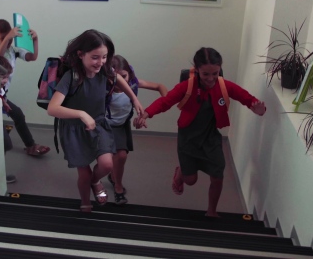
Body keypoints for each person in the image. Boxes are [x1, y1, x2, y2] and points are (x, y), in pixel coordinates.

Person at [133, 47, 266, 217]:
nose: (211, 79)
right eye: (205, 74)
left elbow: (246, 98)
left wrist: (258, 108)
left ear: (220, 70)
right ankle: (181, 172)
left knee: (217, 176)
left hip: (211, 138)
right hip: (188, 138)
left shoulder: (224, 86)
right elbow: (165, 101)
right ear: (197, 70)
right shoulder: (186, 87)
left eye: (215, 73)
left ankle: (211, 211)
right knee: (191, 181)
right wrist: (146, 114)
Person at [47, 30, 144, 212]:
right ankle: (85, 200)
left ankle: (95, 181)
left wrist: (134, 99)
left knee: (107, 164)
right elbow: (53, 108)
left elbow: (119, 80)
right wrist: (81, 114)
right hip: (75, 130)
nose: (100, 62)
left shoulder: (104, 71)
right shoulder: (72, 77)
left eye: (104, 57)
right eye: (95, 57)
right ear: (80, 54)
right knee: (83, 172)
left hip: (99, 125)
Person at [106, 55, 167, 205]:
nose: (120, 81)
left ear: (129, 74)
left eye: (124, 76)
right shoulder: (103, 87)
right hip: (106, 125)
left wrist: (166, 103)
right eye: (115, 77)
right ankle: (117, 185)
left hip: (122, 123)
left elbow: (160, 86)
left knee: (120, 156)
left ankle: (115, 178)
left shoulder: (133, 83)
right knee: (120, 156)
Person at [0, 19, 50, 157]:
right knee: (7, 121)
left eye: (9, 37)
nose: (8, 41)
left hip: (2, 94)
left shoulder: (13, 50)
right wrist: (8, 38)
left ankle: (30, 146)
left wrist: (35, 40)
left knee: (18, 115)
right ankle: (28, 146)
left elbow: (32, 57)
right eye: (3, 38)